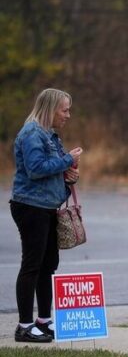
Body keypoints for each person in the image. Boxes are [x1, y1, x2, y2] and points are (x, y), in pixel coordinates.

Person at [10, 88, 83, 343]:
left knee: (48, 265)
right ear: (50, 109)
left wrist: (69, 176)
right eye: (64, 110)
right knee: (32, 264)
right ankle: (24, 326)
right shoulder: (32, 133)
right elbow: (36, 169)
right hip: (30, 207)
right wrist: (66, 160)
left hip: (48, 206)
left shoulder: (51, 136)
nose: (68, 115)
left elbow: (52, 171)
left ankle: (43, 320)